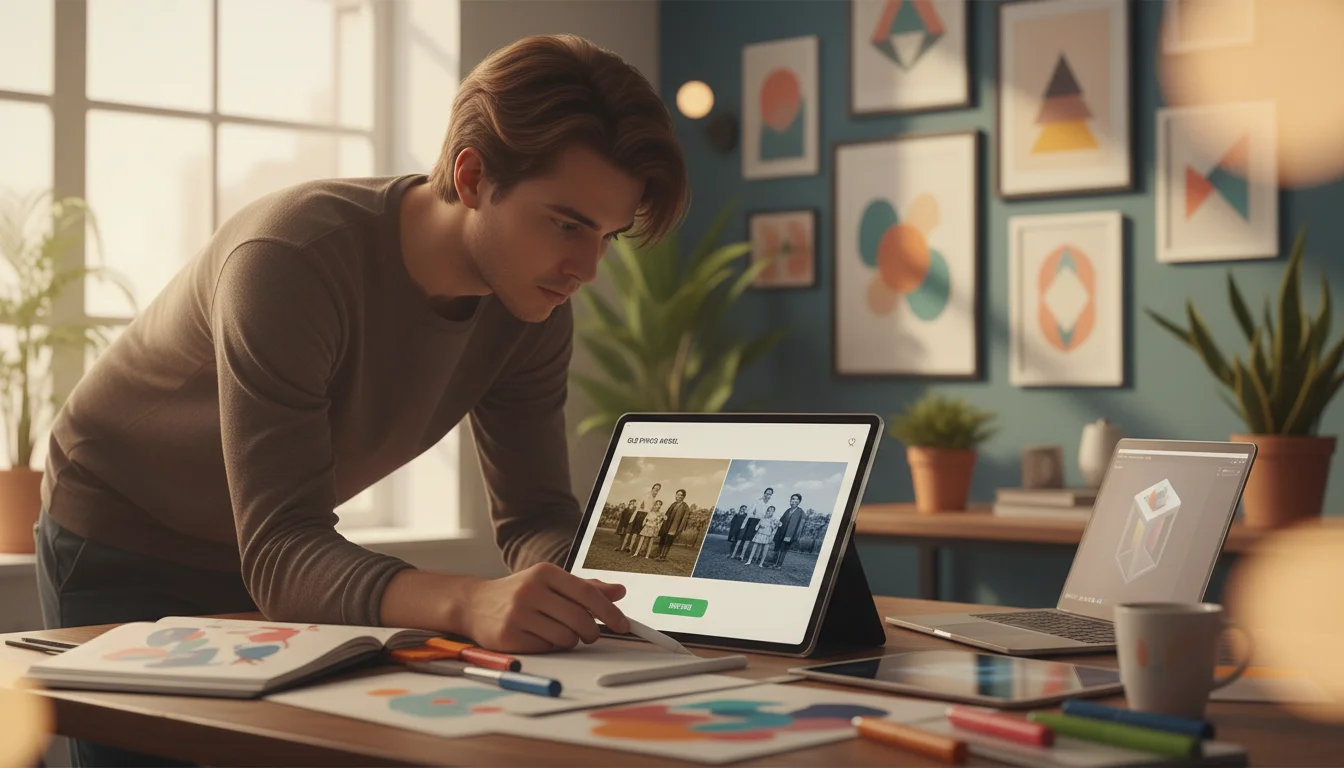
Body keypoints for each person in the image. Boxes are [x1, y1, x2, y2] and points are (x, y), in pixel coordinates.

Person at [34, 33, 687, 768]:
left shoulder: (532, 306)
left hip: (278, 553)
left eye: (606, 235)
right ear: (472, 177)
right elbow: (282, 552)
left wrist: (615, 599)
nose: (586, 268)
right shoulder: (290, 261)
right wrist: (474, 602)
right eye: (566, 224)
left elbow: (535, 517)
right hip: (125, 531)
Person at [732, 487, 773, 560]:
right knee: (741, 538)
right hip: (750, 520)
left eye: (770, 494)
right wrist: (754, 513)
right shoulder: (758, 501)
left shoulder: (769, 505)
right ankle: (733, 554)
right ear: (764, 494)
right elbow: (751, 512)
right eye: (767, 493)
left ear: (771, 496)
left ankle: (742, 556)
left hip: (759, 522)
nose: (768, 495)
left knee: (750, 540)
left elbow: (766, 515)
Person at [770, 494, 806, 569]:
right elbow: (781, 520)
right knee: (777, 547)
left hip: (790, 534)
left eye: (795, 499)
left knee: (783, 549)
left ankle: (778, 565)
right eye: (792, 499)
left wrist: (795, 536)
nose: (793, 501)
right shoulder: (787, 510)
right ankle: (773, 563)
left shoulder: (801, 512)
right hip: (781, 532)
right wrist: (777, 523)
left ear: (799, 501)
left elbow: (800, 526)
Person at [657, 489, 691, 560]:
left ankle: (663, 556)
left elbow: (685, 519)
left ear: (684, 497)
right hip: (667, 526)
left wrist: (680, 529)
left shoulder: (685, 506)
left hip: (674, 527)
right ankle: (659, 554)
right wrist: (662, 518)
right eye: (678, 494)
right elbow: (667, 515)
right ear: (675, 495)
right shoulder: (673, 504)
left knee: (669, 541)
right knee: (663, 540)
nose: (679, 496)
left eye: (681, 495)